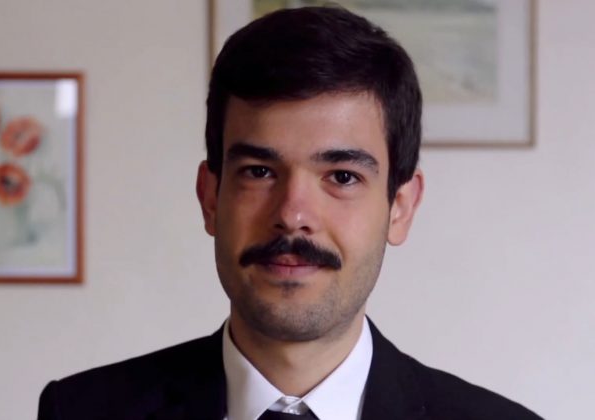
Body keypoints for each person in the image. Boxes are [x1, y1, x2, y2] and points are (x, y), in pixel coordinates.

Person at [38, 6, 542, 420]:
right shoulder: (79, 411)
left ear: (400, 208)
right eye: (259, 171)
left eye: (341, 177)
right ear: (210, 197)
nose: (293, 215)